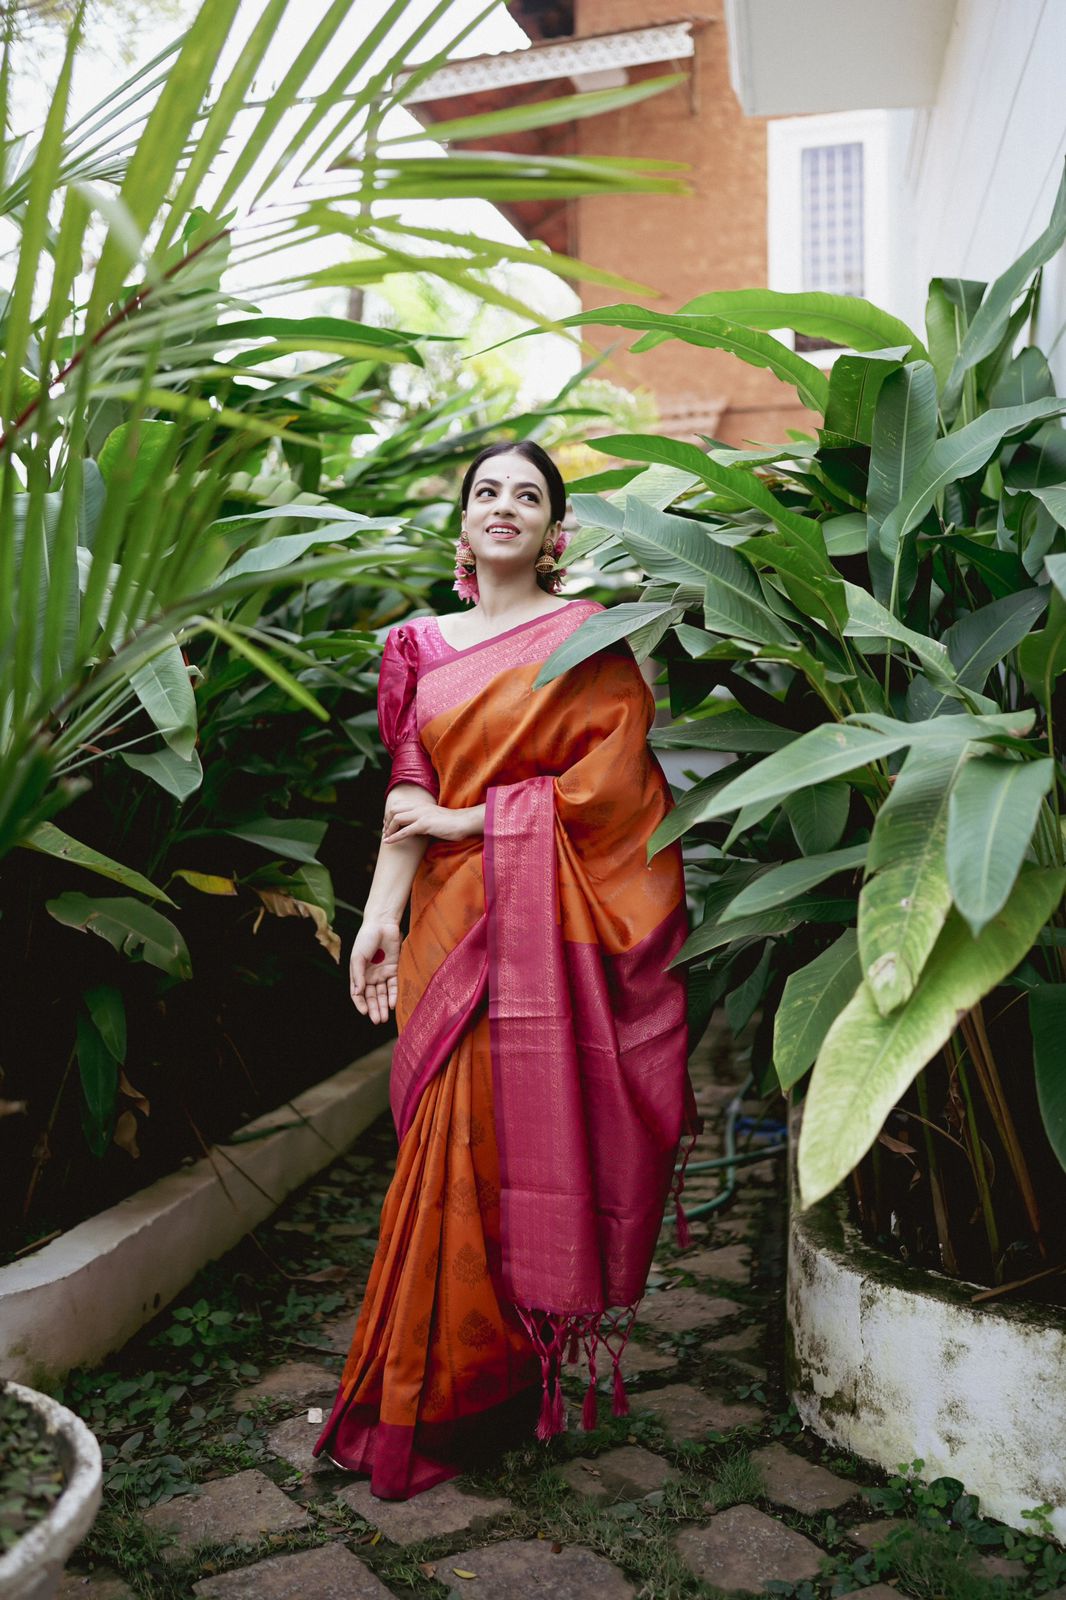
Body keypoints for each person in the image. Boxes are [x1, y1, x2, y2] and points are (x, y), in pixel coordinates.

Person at [312, 440, 697, 1500]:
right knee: (438, 1151)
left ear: (554, 533)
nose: (505, 507)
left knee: (493, 1148)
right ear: (464, 525)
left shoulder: (587, 644)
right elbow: (407, 793)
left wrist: (462, 818)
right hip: (442, 925)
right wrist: (378, 917)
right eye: (488, 491)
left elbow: (612, 799)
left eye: (528, 496)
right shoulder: (417, 646)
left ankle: (466, 1386)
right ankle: (445, 1378)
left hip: (535, 927)